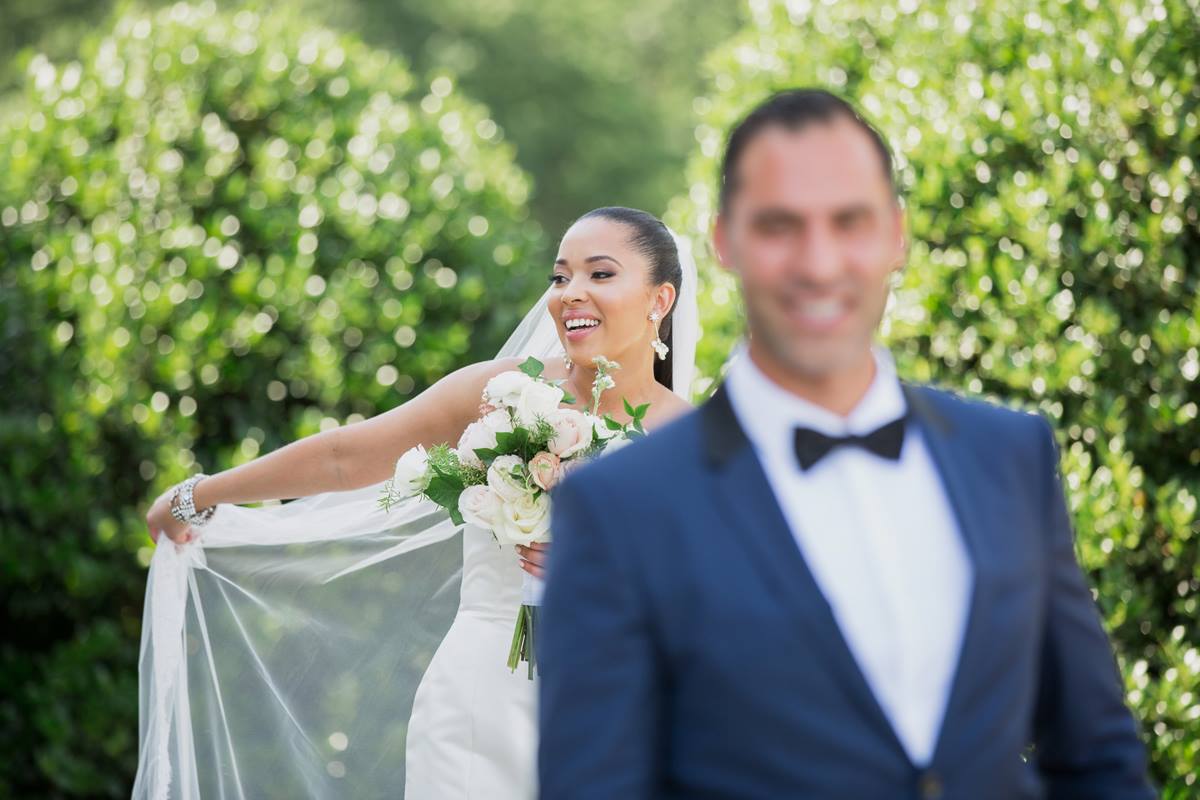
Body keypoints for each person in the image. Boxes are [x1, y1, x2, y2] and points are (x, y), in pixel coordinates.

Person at [539, 90, 1154, 799]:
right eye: (780, 226)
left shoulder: (1009, 456)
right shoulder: (618, 508)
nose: (819, 262)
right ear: (725, 242)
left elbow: (1098, 759)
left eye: (850, 222)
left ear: (896, 236)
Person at [132, 206, 697, 799]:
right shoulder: (502, 392)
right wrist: (196, 495)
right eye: (560, 277)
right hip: (477, 702)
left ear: (659, 300)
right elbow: (345, 457)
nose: (571, 293)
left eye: (600, 274)